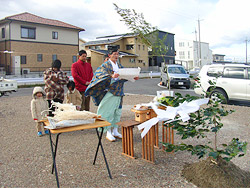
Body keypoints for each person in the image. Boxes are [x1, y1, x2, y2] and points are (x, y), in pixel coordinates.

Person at [85, 45, 139, 142]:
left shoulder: (119, 65)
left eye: (117, 54)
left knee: (117, 112)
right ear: (109, 55)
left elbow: (123, 76)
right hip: (109, 91)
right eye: (114, 54)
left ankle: (115, 130)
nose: (116, 56)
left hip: (119, 91)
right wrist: (111, 76)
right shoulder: (105, 65)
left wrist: (132, 77)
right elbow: (99, 74)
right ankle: (108, 131)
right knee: (107, 112)